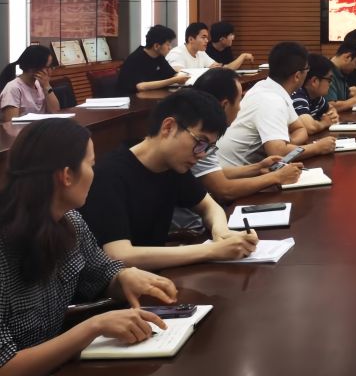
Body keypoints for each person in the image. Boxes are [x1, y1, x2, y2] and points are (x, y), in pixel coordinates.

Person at [0, 120, 179, 376]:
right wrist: (92, 327)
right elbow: (4, 373)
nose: (94, 173)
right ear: (67, 175)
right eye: (91, 164)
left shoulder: (70, 221)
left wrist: (123, 279)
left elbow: (101, 273)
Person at [80, 89, 259, 269]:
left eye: (208, 147)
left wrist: (220, 231)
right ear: (168, 127)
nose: (202, 154)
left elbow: (209, 206)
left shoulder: (173, 166)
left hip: (157, 275)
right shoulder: (108, 176)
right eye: (200, 142)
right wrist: (212, 250)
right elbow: (119, 255)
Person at [214, 41, 336, 168]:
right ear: (297, 76)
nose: (308, 73)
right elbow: (278, 153)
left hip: (249, 169)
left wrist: (288, 143)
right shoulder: (271, 100)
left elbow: (300, 129)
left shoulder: (271, 88)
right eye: (307, 69)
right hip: (230, 172)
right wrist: (317, 148)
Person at [190, 68, 303, 204]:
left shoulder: (205, 130)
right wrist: (276, 177)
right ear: (225, 105)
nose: (240, 108)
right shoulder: (198, 139)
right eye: (239, 101)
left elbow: (215, 173)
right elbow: (225, 190)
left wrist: (258, 167)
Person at [116, 25, 190, 96]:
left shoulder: (159, 57)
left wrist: (183, 76)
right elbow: (141, 86)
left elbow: (172, 74)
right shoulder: (135, 59)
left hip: (151, 95)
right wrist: (174, 80)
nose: (170, 48)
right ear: (156, 46)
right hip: (131, 98)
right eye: (167, 44)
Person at [0, 45, 60, 122]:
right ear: (33, 68)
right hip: (26, 129)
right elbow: (10, 123)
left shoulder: (39, 84)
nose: (51, 70)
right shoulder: (13, 88)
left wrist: (47, 86)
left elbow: (55, 112)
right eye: (48, 67)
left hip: (42, 127)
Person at [291, 54, 340, 135]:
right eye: (329, 80)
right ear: (314, 81)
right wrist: (324, 123)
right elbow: (310, 128)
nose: (331, 84)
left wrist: (332, 115)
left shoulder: (317, 97)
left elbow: (330, 107)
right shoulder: (297, 96)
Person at [327, 40, 356, 113]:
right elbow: (329, 106)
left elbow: (342, 95)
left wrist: (353, 92)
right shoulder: (326, 72)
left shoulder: (341, 72)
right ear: (347, 57)